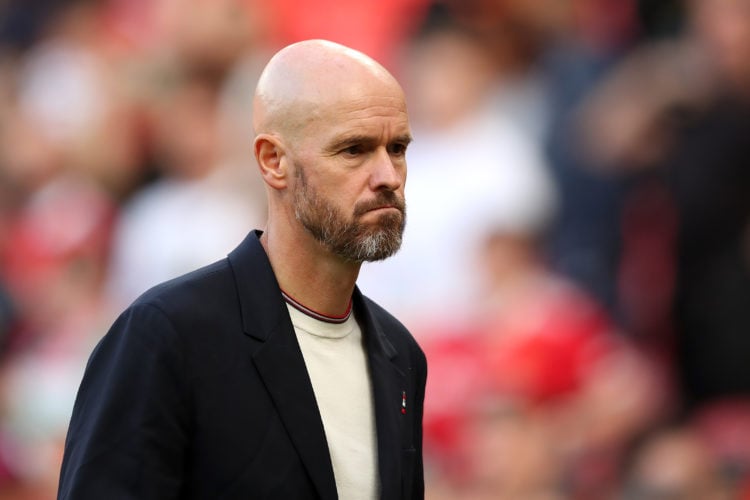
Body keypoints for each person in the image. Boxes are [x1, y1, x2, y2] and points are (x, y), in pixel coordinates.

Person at [57, 39, 427, 500]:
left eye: (397, 148)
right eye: (354, 150)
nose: (388, 175)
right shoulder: (168, 333)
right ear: (274, 162)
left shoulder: (401, 356)